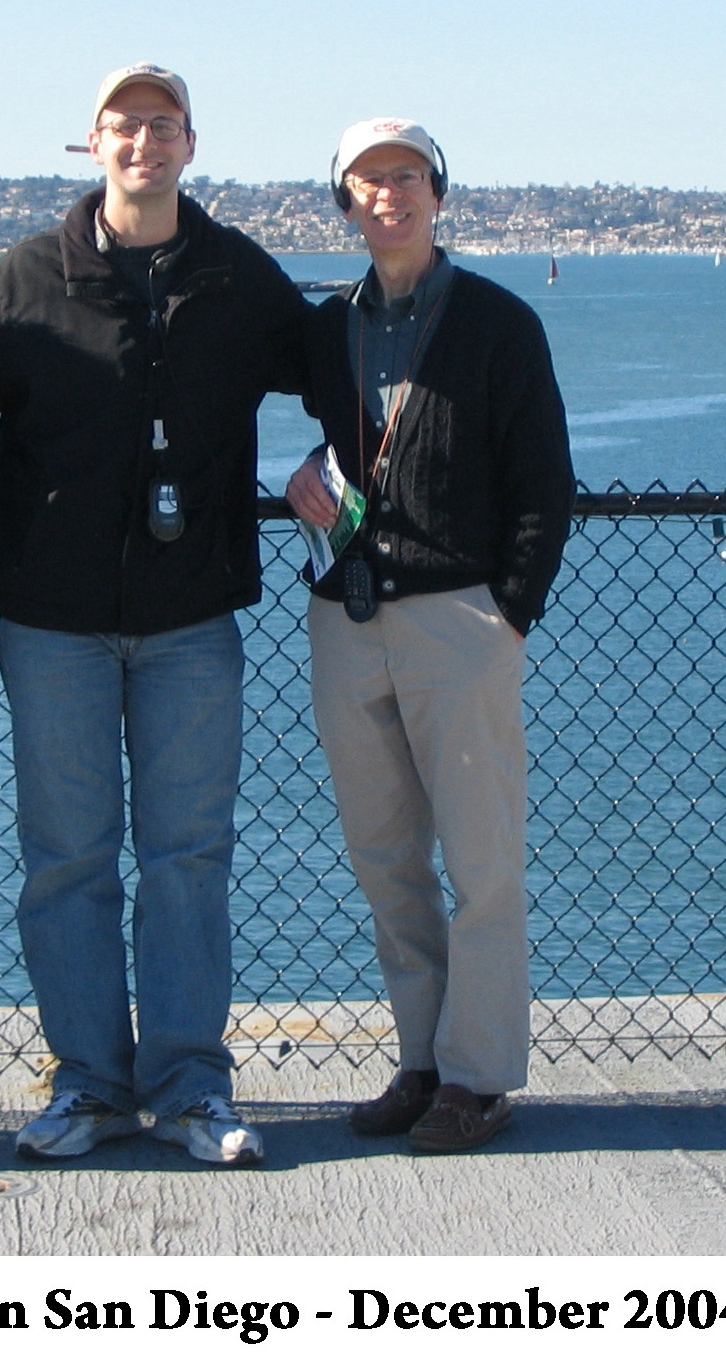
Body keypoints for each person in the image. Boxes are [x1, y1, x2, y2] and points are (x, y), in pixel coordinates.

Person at [0, 64, 312, 1165]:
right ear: (88, 145)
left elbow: (341, 374)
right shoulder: (23, 279)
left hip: (192, 618)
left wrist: (330, 458)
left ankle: (193, 1086)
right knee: (67, 861)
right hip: (50, 624)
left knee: (187, 856)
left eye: (161, 125)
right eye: (121, 125)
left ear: (192, 144)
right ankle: (89, 1084)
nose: (141, 141)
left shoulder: (237, 275)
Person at [283, 118, 574, 1154]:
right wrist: (294, 479)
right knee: (384, 857)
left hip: (459, 621)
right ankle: (422, 1060)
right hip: (345, 619)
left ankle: (481, 1075)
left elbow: (545, 480)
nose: (387, 197)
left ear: (437, 194)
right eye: (366, 183)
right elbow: (298, 435)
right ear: (345, 206)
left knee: (484, 861)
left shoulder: (498, 323)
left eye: (405, 178)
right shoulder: (324, 329)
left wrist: (508, 614)